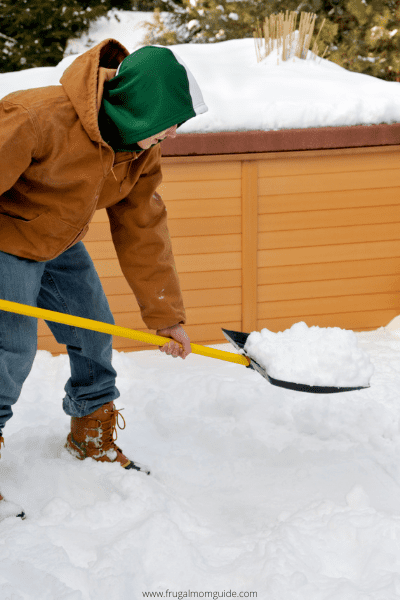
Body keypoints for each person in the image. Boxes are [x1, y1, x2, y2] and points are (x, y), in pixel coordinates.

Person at [0, 38, 208, 518]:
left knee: (94, 331)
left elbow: (143, 227)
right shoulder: (36, 117)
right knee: (9, 351)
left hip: (61, 243)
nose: (172, 135)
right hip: (8, 241)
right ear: (136, 111)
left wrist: (166, 316)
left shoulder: (139, 148)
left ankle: (90, 433)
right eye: (164, 127)